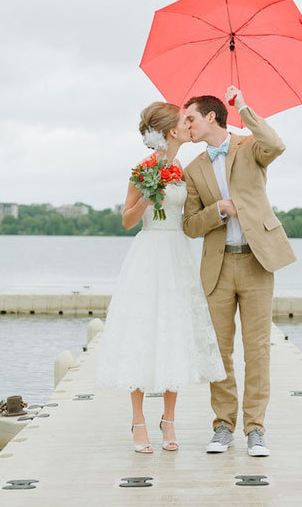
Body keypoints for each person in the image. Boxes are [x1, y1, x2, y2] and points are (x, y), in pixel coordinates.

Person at [95, 101, 226, 454]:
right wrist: (147, 199)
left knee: (175, 334)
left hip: (179, 256)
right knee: (142, 333)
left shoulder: (183, 167)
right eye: (184, 121)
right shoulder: (143, 169)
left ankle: (168, 420)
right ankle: (138, 421)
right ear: (171, 131)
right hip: (149, 254)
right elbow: (126, 220)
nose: (188, 125)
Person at [183, 85, 296, 457]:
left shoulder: (249, 147)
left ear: (211, 117)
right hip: (217, 267)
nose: (187, 125)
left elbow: (276, 145)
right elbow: (190, 226)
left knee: (257, 350)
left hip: (256, 261)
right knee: (219, 351)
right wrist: (219, 210)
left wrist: (245, 107)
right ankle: (222, 426)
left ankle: (255, 429)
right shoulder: (192, 168)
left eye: (191, 118)